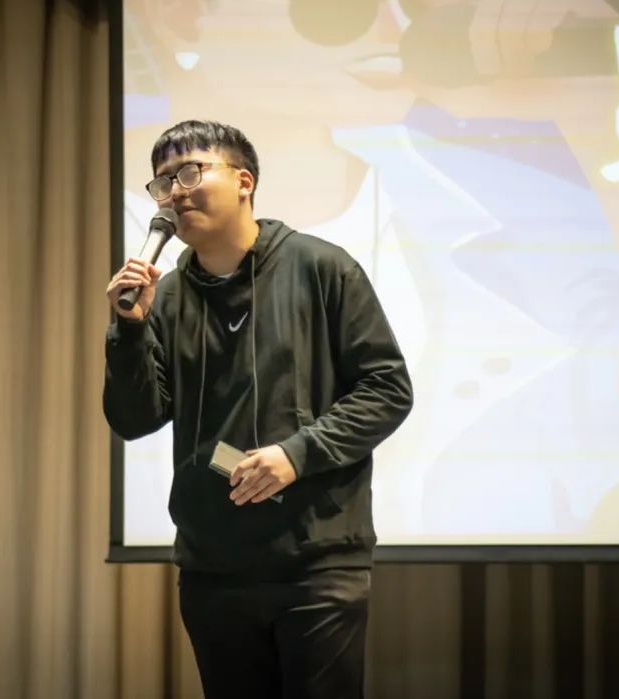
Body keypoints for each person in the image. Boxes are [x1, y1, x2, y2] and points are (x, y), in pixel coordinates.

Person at [103, 119, 413, 699]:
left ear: (244, 181)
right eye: (163, 182)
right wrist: (130, 331)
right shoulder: (165, 296)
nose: (174, 193)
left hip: (316, 562)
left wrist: (297, 455)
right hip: (213, 568)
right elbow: (134, 418)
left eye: (190, 173)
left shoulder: (321, 267)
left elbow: (387, 388)